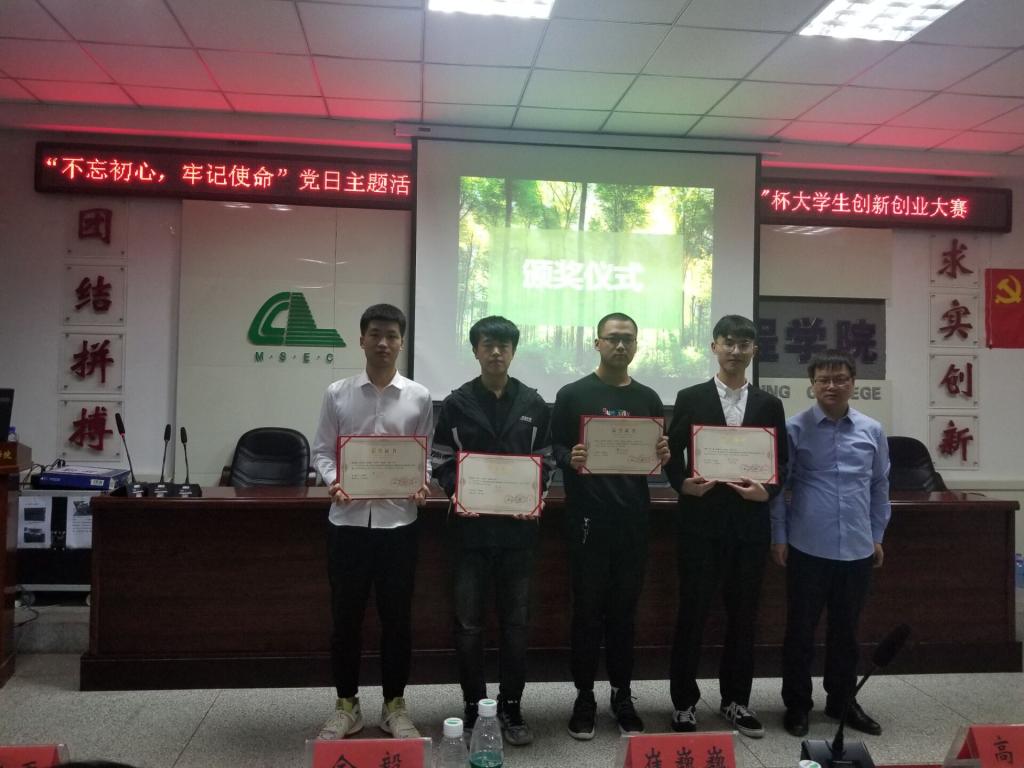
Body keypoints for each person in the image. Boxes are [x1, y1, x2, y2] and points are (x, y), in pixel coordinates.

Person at [312, 303, 434, 740]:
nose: (384, 343)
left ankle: (394, 706)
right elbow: (322, 450)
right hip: (347, 523)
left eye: (392, 336)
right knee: (345, 618)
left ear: (402, 342)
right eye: (376, 334)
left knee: (397, 620)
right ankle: (347, 705)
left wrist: (421, 482)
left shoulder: (419, 396)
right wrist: (334, 481)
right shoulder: (337, 393)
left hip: (399, 524)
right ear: (361, 339)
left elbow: (424, 456)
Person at [431, 315, 554, 746]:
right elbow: (441, 458)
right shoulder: (456, 403)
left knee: (516, 625)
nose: (496, 352)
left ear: (513, 351)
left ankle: (511, 706)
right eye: (488, 344)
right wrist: (459, 491)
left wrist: (534, 494)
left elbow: (547, 459)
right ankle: (473, 705)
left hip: (518, 535)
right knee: (468, 625)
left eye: (504, 345)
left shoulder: (534, 403)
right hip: (470, 534)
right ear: (476, 350)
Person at [664, 314, 788, 738]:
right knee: (692, 614)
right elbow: (671, 453)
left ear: (755, 350)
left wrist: (767, 491)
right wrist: (681, 484)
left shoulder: (769, 404)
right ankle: (683, 703)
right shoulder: (690, 397)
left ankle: (736, 700)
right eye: (728, 342)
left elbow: (782, 462)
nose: (736, 350)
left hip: (750, 528)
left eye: (744, 344)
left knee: (744, 617)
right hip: (700, 525)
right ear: (714, 346)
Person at [551, 312, 670, 740]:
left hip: (633, 522)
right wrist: (569, 457)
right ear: (597, 342)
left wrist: (663, 453)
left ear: (637, 345)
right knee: (586, 614)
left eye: (628, 339)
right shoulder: (572, 394)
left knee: (624, 615)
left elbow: (656, 454)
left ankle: (622, 694)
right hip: (587, 521)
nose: (621, 345)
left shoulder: (649, 398)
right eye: (613, 338)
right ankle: (584, 696)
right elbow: (554, 446)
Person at [771, 350, 891, 738]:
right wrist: (779, 537)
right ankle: (797, 704)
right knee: (800, 631)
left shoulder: (872, 430)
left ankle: (842, 701)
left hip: (856, 547)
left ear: (853, 383)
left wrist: (877, 534)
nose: (832, 386)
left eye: (840, 378)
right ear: (812, 385)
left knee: (847, 632)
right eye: (823, 379)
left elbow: (879, 486)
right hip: (808, 545)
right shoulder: (794, 429)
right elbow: (779, 488)